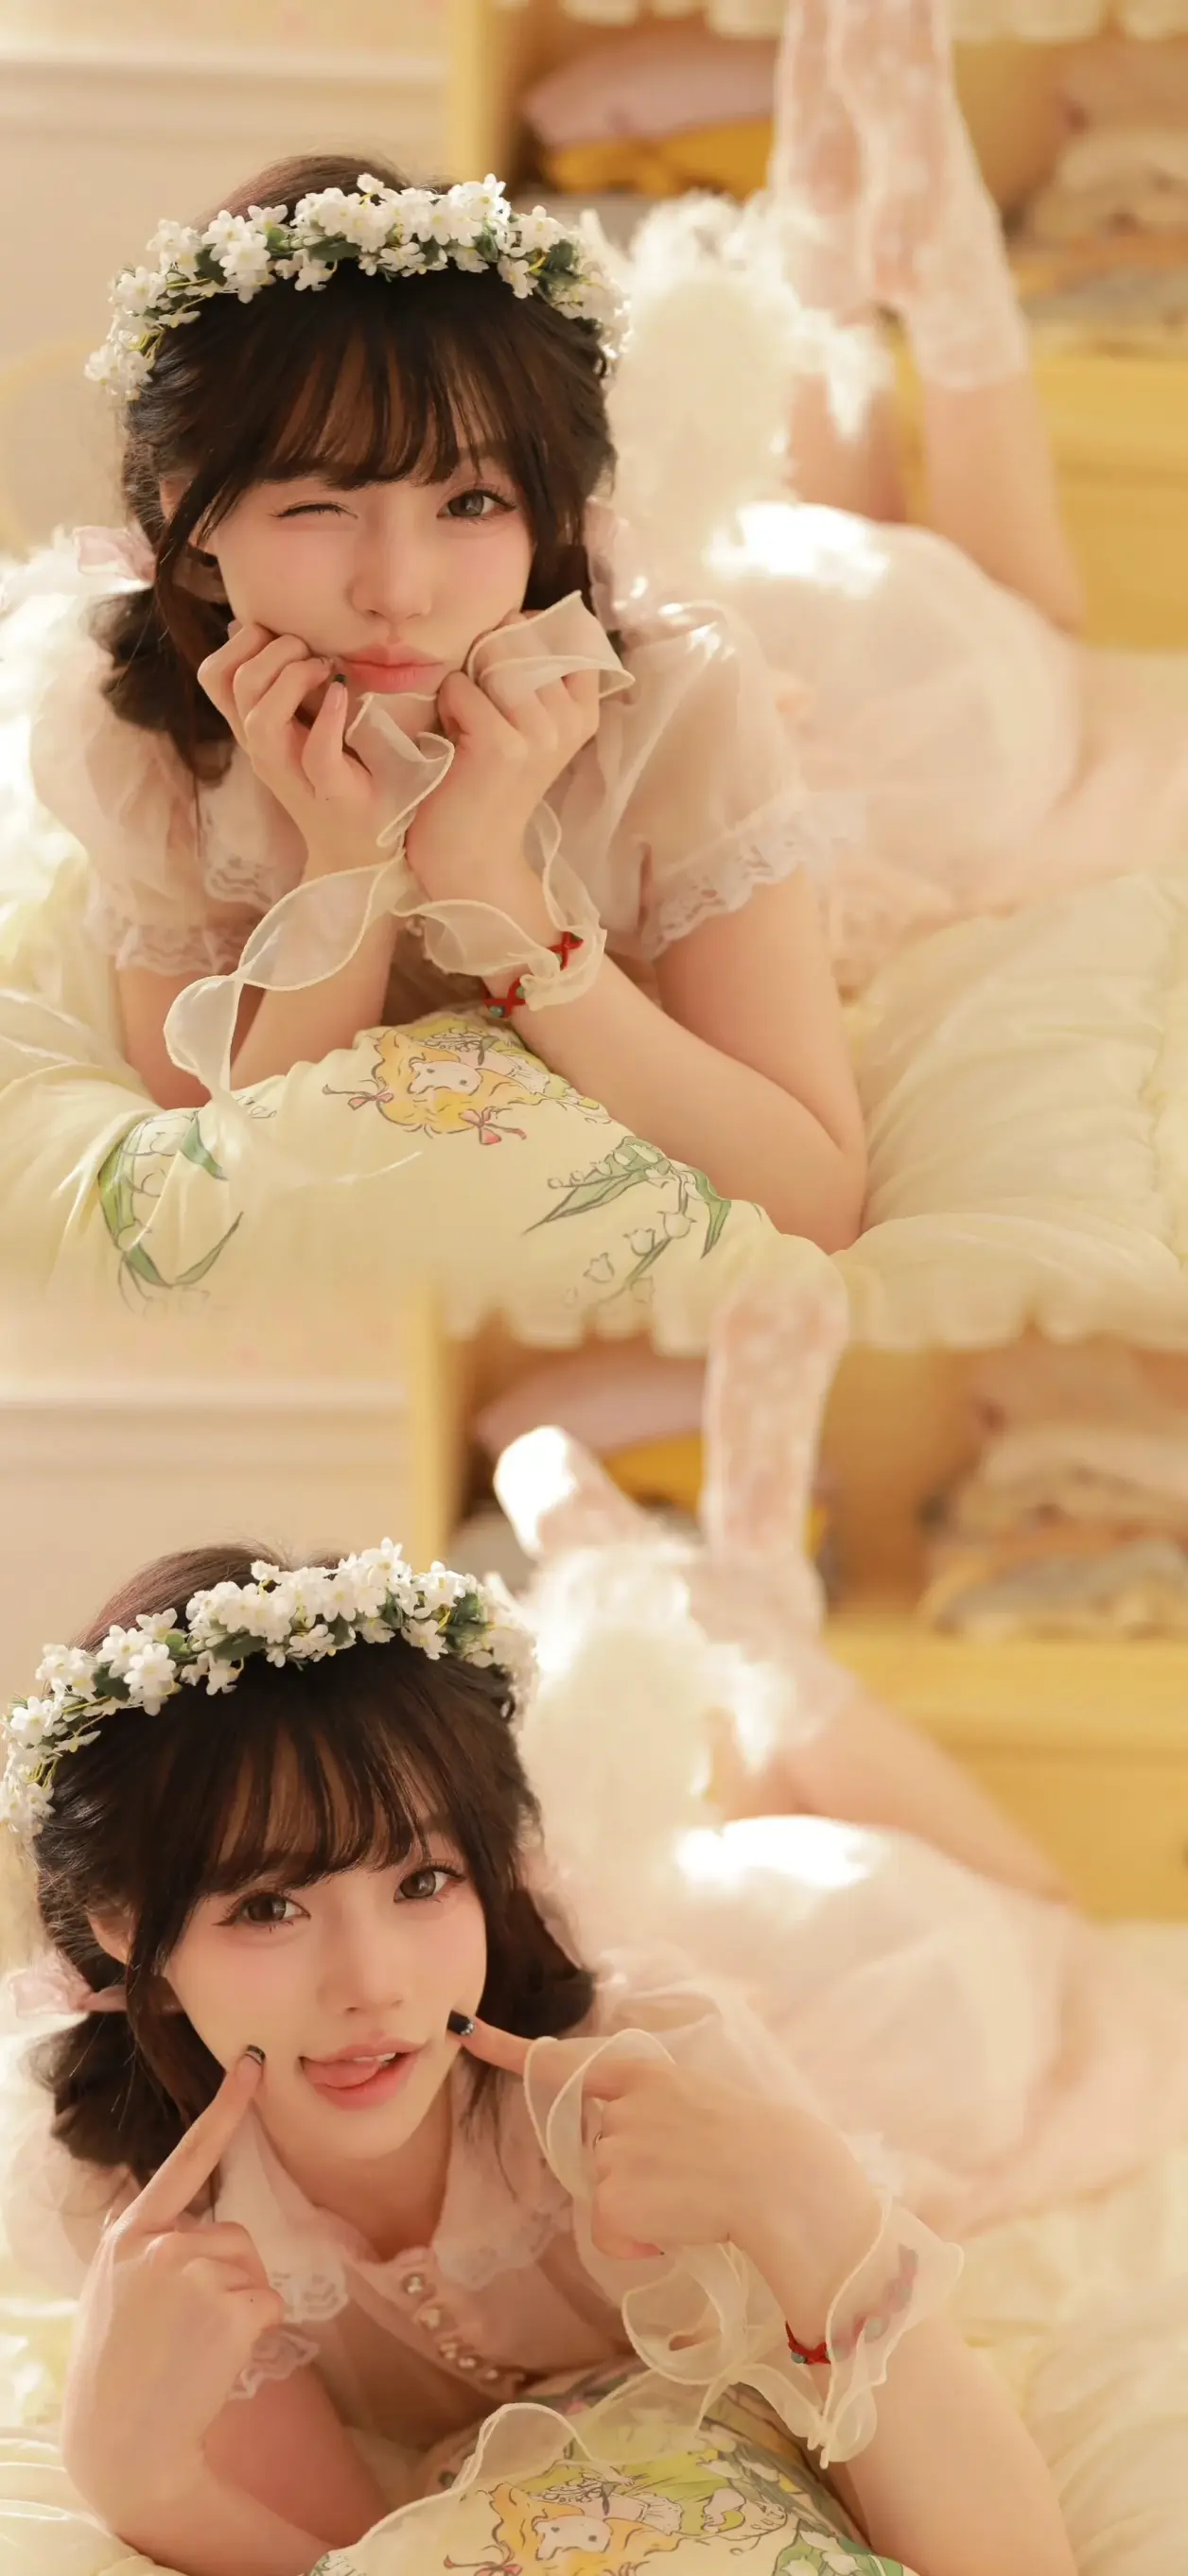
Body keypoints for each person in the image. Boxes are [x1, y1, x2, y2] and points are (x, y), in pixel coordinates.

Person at [0, 1538, 1075, 2576]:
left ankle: (705, 1599)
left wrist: (813, 2199)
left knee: (1023, 1933)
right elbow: (371, 2560)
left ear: (496, 1872)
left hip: (851, 1972)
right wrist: (134, 2482)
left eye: (423, 1881)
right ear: (129, 1931)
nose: (373, 1985)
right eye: (269, 1907)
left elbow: (1011, 2565)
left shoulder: (652, 2072)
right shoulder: (150, 2196)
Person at [17, 156, 866, 1251]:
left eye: (470, 501)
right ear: (194, 516)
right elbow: (218, 1200)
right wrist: (347, 862)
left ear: (553, 512)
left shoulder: (676, 703)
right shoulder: (138, 737)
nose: (397, 593)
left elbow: (810, 1202)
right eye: (318, 504)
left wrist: (488, 881)